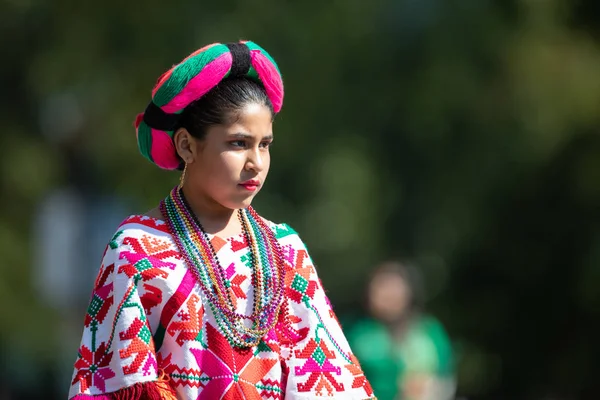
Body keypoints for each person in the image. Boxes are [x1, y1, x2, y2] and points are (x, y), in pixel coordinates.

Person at [68, 41, 375, 400]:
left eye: (265, 144)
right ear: (186, 146)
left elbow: (329, 382)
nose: (256, 162)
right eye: (238, 143)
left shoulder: (286, 250)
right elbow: (119, 380)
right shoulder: (137, 247)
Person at [346, 262, 455, 400]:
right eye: (381, 288)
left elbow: (445, 374)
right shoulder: (355, 332)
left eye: (394, 289)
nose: (387, 295)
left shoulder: (429, 331)